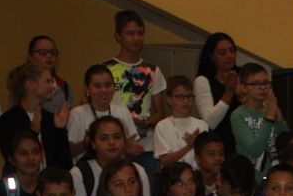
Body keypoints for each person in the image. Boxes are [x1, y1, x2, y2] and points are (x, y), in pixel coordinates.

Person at [104, 10, 166, 178]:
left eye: (140, 33)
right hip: (116, 144)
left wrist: (146, 122)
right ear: (118, 36)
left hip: (146, 146)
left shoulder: (153, 70)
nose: (136, 38)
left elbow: (160, 112)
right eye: (130, 33)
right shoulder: (106, 69)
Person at [0, 62, 72, 173]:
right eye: (48, 81)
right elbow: (13, 160)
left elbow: (64, 163)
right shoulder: (6, 121)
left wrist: (60, 130)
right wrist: (33, 132)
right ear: (31, 84)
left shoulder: (50, 119)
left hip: (47, 182)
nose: (53, 86)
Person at [71, 116, 151, 196]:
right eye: (104, 138)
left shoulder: (138, 171)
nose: (112, 142)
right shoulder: (79, 173)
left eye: (117, 137)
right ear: (93, 143)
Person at [67, 64, 141, 159]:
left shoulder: (123, 112)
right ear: (87, 89)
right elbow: (66, 153)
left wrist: (129, 149)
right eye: (97, 86)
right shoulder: (77, 114)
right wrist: (85, 144)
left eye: (108, 85)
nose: (103, 90)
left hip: (117, 167)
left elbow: (130, 158)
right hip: (86, 167)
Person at [231, 63, 287, 176]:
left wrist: (279, 120)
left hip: (276, 174)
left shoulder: (270, 109)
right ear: (243, 88)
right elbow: (255, 150)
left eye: (266, 83)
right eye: (256, 84)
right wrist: (269, 119)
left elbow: (287, 142)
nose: (262, 87)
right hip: (252, 178)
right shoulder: (238, 115)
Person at [193, 33, 241, 154]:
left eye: (232, 51)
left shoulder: (242, 76)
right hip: (218, 149)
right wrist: (229, 92)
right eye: (222, 53)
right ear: (211, 56)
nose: (229, 56)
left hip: (243, 145)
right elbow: (210, 122)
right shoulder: (203, 81)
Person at [153, 76, 204, 168]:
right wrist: (189, 147)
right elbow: (165, 161)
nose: (186, 100)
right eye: (180, 97)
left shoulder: (201, 124)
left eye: (189, 96)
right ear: (169, 100)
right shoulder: (162, 125)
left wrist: (198, 143)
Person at [26, 36, 72, 113]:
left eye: (52, 52)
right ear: (31, 57)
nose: (49, 56)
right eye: (43, 52)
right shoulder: (22, 84)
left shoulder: (64, 86)